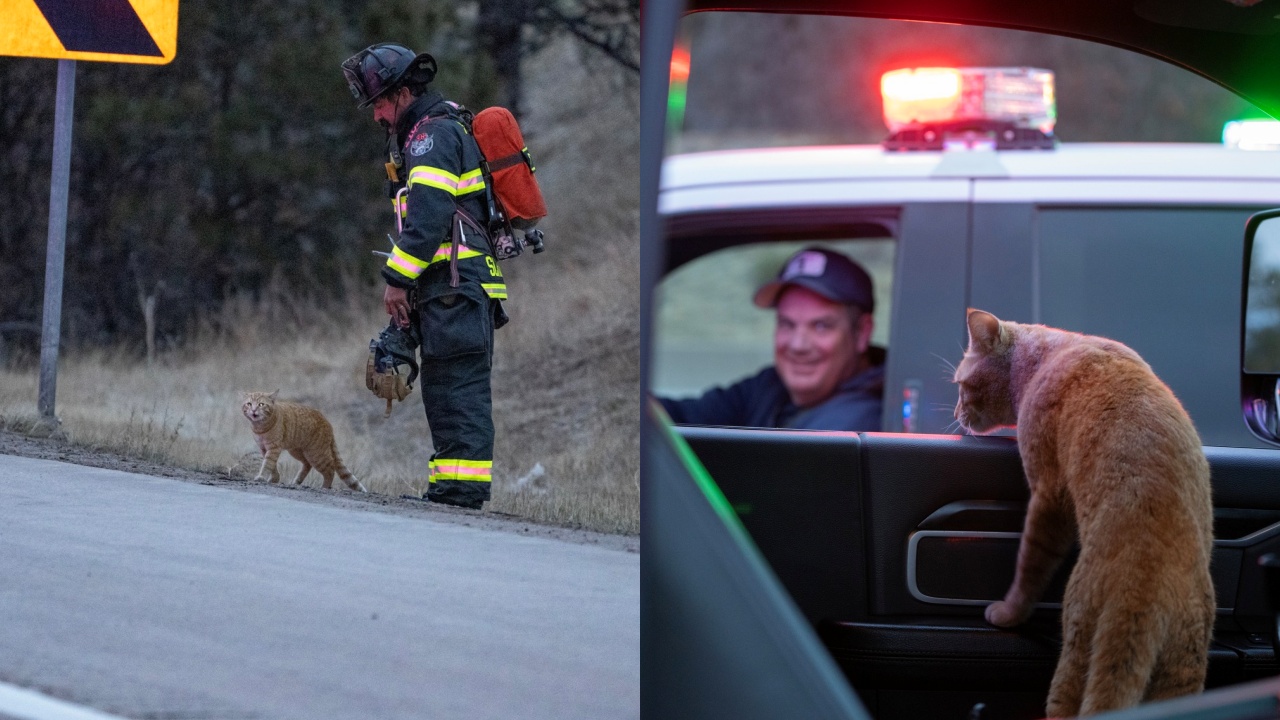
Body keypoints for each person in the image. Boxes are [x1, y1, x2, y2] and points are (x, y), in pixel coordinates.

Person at [342, 43, 508, 509]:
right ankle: (453, 488)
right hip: (451, 285)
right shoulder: (436, 130)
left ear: (401, 93)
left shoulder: (430, 137)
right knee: (448, 386)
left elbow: (430, 218)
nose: (376, 116)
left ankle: (461, 492)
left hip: (455, 284)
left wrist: (396, 279)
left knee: (456, 387)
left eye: (378, 103)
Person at [658, 247, 885, 431]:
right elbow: (680, 417)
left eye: (820, 326)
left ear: (862, 333)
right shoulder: (771, 387)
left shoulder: (863, 422)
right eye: (787, 324)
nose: (798, 345)